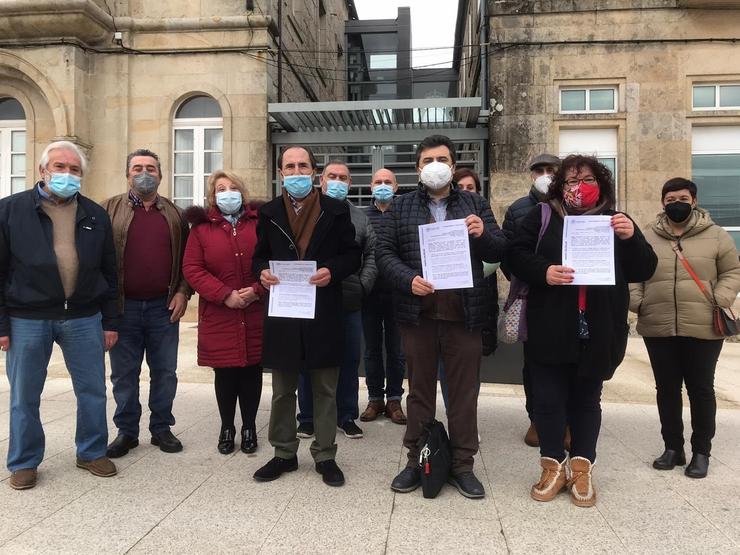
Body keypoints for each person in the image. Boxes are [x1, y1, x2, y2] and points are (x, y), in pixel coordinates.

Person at [508, 154, 657, 507]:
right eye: (571, 180)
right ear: (561, 185)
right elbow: (514, 254)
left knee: (587, 400)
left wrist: (632, 236)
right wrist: (544, 271)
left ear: (601, 184)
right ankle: (551, 465)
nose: (578, 187)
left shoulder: (616, 221)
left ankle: (582, 467)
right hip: (550, 326)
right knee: (547, 400)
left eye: (586, 179)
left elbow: (645, 267)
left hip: (599, 327)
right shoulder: (543, 215)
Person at [376, 134, 507, 499]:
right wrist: (408, 280)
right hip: (418, 315)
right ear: (418, 168)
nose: (436, 165)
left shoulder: (474, 202)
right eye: (428, 159)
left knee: (464, 394)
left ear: (453, 165)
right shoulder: (400, 207)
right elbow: (385, 254)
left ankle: (463, 465)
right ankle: (416, 460)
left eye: (443, 159)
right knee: (418, 392)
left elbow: (500, 248)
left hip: (464, 314)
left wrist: (483, 236)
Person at [0, 141, 119, 490]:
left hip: (84, 317)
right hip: (27, 318)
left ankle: (92, 451)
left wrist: (110, 320)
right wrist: (2, 323)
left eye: (74, 169)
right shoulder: (10, 210)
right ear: (42, 170)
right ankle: (24, 462)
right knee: (25, 394)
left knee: (93, 390)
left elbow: (110, 273)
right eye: (59, 166)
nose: (67, 174)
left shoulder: (96, 214)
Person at [252, 146, 361, 487]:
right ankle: (283, 453)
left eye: (303, 166)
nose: (296, 171)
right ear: (281, 172)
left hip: (323, 308)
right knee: (283, 389)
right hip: (284, 310)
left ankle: (326, 454)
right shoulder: (268, 212)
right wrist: (262, 274)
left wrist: (333, 270)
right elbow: (259, 257)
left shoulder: (335, 209)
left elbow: (352, 255)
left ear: (314, 171)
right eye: (290, 166)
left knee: (325, 388)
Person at [630, 177, 740, 479]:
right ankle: (673, 448)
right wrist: (638, 301)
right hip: (657, 323)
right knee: (666, 389)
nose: (675, 203)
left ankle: (701, 451)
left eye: (681, 198)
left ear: (693, 200)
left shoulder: (716, 235)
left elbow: (733, 270)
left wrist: (720, 297)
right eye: (669, 199)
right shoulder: (648, 235)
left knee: (701, 389)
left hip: (703, 325)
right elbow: (633, 270)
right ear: (662, 203)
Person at [102, 149, 191, 457]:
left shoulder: (176, 214)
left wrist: (182, 291)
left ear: (160, 175)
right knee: (124, 374)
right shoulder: (108, 210)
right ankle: (126, 432)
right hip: (122, 309)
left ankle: (161, 428)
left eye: (151, 168)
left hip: (163, 307)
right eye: (137, 168)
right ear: (128, 174)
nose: (144, 173)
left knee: (165, 371)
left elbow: (188, 261)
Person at [183, 171, 266, 455]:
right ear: (212, 195)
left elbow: (273, 262)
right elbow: (192, 269)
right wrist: (224, 295)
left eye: (233, 187)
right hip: (220, 313)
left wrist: (257, 289)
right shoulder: (201, 229)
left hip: (255, 310)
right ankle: (227, 426)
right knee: (226, 373)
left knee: (252, 370)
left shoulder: (259, 224)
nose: (227, 192)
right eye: (221, 188)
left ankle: (250, 426)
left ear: (242, 192)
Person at [297, 160, 376, 439]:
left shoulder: (360, 217)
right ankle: (306, 416)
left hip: (348, 300)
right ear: (322, 180)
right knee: (308, 358)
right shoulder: (305, 211)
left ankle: (346, 415)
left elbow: (371, 255)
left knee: (349, 359)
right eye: (332, 176)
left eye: (344, 177)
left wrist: (362, 286)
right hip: (311, 299)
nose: (338, 181)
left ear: (351, 184)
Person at [501, 153, 561, 448]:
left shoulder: (576, 208)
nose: (546, 175)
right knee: (533, 362)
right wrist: (522, 278)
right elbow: (507, 253)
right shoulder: (517, 209)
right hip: (531, 294)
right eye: (540, 170)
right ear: (531, 175)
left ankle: (568, 422)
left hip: (569, 294)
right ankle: (536, 418)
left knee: (570, 360)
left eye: (552, 170)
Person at [438, 168, 499, 412]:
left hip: (475, 301)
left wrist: (481, 236)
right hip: (445, 302)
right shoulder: (440, 217)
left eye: (470, 188)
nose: (464, 192)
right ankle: (452, 410)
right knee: (445, 365)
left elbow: (497, 252)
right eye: (459, 187)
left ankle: (467, 415)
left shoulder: (483, 216)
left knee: (469, 365)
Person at [360, 168, 407, 425]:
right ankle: (375, 398)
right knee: (371, 350)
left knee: (397, 350)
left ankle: (395, 400)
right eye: (378, 181)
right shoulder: (361, 215)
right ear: (370, 187)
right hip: (369, 293)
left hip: (398, 293)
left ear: (396, 186)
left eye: (388, 181)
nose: (382, 185)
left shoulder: (403, 214)